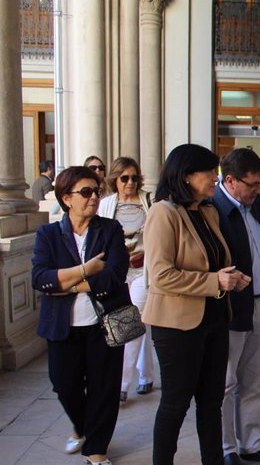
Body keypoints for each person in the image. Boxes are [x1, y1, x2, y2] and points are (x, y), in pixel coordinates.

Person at [142, 144, 250, 465]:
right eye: (209, 172)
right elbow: (161, 276)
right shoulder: (163, 212)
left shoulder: (208, 211)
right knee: (175, 404)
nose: (215, 178)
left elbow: (212, 263)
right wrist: (215, 282)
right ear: (187, 175)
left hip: (215, 318)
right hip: (177, 325)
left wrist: (231, 276)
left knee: (211, 402)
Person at [31, 166, 130, 465]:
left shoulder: (109, 229)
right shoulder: (48, 234)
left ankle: (96, 449)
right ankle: (82, 425)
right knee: (63, 383)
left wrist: (66, 284)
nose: (93, 198)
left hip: (105, 322)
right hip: (63, 326)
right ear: (66, 198)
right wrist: (86, 270)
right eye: (85, 192)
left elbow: (115, 274)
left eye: (97, 191)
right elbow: (40, 278)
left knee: (104, 387)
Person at [212, 148, 260, 465]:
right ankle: (227, 449)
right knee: (226, 383)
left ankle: (253, 443)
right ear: (230, 180)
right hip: (230, 309)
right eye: (253, 184)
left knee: (254, 379)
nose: (259, 190)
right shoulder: (212, 208)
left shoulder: (255, 203)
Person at [98, 157, 155, 403]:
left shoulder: (149, 201)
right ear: (115, 180)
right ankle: (147, 375)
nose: (130, 182)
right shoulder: (106, 205)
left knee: (131, 323)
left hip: (143, 271)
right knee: (140, 326)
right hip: (117, 272)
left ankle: (122, 384)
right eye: (124, 178)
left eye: (134, 177)